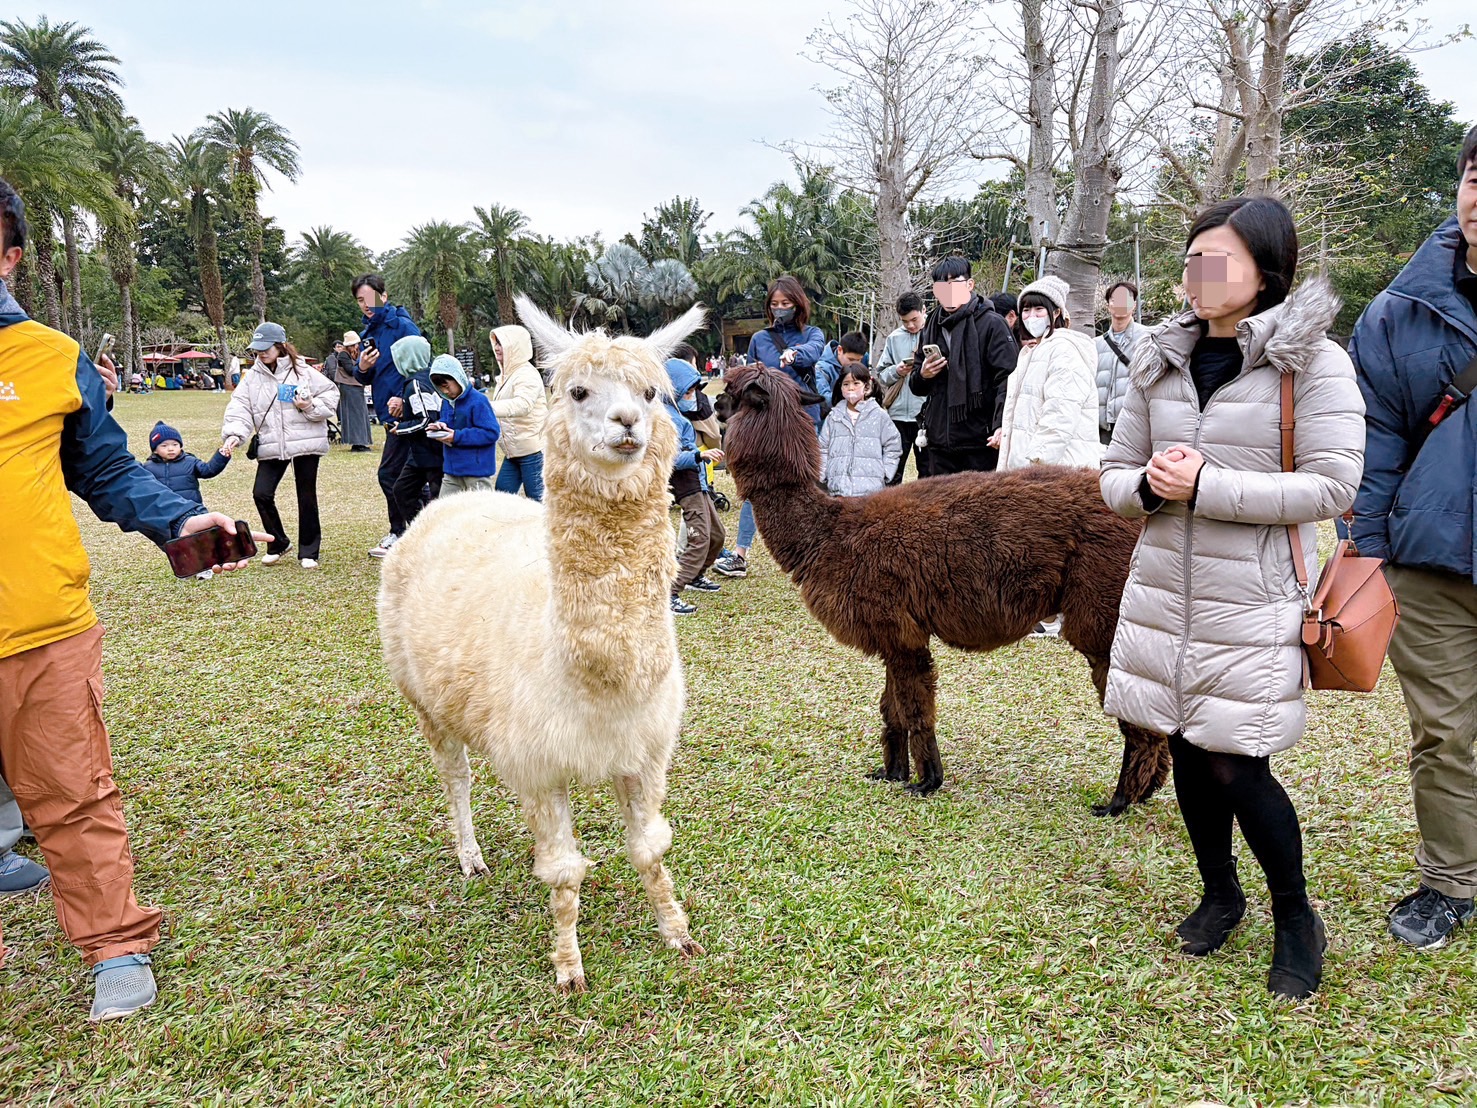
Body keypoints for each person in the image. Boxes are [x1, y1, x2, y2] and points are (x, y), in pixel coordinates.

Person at [0, 176, 265, 1020]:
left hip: (37, 625)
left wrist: (183, 513)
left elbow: (106, 469)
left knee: (72, 791)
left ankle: (115, 940)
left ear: (9, 255)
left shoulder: (47, 356)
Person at [1101, 195, 1365, 1000]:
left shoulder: (1313, 362)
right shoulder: (1156, 357)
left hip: (1248, 596)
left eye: (1217, 258)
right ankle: (1220, 894)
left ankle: (1294, 915)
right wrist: (1145, 488)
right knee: (1182, 744)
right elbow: (1112, 474)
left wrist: (1208, 485)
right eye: (1190, 258)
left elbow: (1332, 484)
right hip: (1161, 590)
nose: (1197, 274)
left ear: (1264, 272)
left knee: (1235, 760)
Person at [1349, 123, 1477, 950]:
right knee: (1445, 730)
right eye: (1476, 177)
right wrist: (1365, 547)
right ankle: (1452, 881)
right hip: (1431, 558)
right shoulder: (1400, 309)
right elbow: (1376, 437)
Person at [714, 275, 825, 579]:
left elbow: (815, 351)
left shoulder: (812, 334)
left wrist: (795, 354)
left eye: (785, 304)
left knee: (804, 484)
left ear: (797, 304)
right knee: (757, 486)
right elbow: (745, 377)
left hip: (799, 421)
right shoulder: (759, 339)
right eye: (774, 304)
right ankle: (740, 554)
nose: (779, 309)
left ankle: (813, 548)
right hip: (762, 426)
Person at [221, 322, 339, 569]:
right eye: (258, 349)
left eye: (267, 347)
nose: (262, 353)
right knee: (261, 493)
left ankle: (309, 551)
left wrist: (309, 406)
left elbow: (331, 393)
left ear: (280, 346)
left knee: (306, 495)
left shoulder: (303, 371)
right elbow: (240, 408)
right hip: (272, 442)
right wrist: (234, 435)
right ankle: (279, 542)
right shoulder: (251, 377)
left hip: (306, 440)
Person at [910, 257, 1018, 476]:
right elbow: (916, 385)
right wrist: (923, 374)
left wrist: (1000, 425)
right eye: (942, 286)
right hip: (939, 439)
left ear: (970, 285)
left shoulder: (992, 324)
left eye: (955, 284)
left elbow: (1008, 379)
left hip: (979, 441)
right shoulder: (931, 327)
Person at [993, 276, 1102, 472]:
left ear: (1056, 312)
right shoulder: (1031, 352)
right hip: (1031, 473)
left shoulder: (1064, 351)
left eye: (1038, 309)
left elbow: (1059, 416)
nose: (1031, 316)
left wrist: (1037, 466)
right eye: (1026, 310)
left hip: (1058, 474)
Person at [350, 273, 423, 557]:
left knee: (390, 474)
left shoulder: (403, 326)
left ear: (383, 296)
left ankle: (403, 532)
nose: (365, 305)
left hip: (408, 415)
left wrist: (405, 399)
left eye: (369, 298)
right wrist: (364, 368)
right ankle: (416, 528)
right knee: (410, 476)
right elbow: (362, 376)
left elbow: (420, 366)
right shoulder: (368, 332)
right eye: (359, 300)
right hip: (386, 416)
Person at [664, 357, 726, 615]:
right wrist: (699, 456)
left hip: (698, 482)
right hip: (686, 484)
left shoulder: (678, 413)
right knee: (699, 539)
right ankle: (670, 592)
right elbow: (666, 457)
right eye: (688, 391)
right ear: (673, 390)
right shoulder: (664, 419)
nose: (693, 396)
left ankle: (696, 576)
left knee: (717, 535)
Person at [385, 335, 445, 526]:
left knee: (439, 501)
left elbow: (427, 419)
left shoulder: (417, 384)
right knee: (402, 490)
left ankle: (431, 536)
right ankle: (421, 531)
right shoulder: (426, 378)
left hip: (432, 454)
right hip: (420, 454)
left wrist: (400, 428)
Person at [819, 366, 901, 497]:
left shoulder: (879, 416)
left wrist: (885, 472)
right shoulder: (833, 417)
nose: (851, 388)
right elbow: (822, 447)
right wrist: (823, 473)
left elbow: (893, 445)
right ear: (841, 387)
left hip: (871, 492)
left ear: (867, 387)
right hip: (839, 491)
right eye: (846, 384)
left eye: (856, 383)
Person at [488, 325, 548, 501]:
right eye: (496, 343)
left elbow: (523, 405)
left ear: (515, 347)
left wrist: (487, 407)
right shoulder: (506, 375)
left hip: (532, 451)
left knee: (536, 500)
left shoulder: (526, 374)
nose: (497, 348)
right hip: (512, 452)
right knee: (502, 496)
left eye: (502, 344)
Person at [427, 354, 500, 496]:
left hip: (476, 472)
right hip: (452, 471)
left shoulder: (479, 401)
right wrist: (440, 426)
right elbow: (448, 422)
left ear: (457, 377)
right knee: (443, 513)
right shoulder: (447, 401)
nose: (445, 392)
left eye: (446, 386)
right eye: (440, 389)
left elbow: (491, 432)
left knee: (482, 515)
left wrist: (457, 436)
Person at [875, 292, 928, 485]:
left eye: (914, 319)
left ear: (924, 310)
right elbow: (881, 375)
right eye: (906, 321)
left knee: (928, 471)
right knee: (893, 472)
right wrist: (896, 370)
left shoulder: (935, 332)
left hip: (925, 414)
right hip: (897, 415)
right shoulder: (894, 338)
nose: (911, 325)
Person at [1096, 281, 1149, 446]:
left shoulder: (1148, 339)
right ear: (1108, 305)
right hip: (1102, 426)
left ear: (1134, 305)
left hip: (1133, 425)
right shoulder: (1096, 344)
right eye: (1114, 299)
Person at [325, 332, 372, 452]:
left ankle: (362, 441)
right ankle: (357, 443)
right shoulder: (343, 355)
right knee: (354, 416)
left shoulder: (356, 354)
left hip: (357, 387)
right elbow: (351, 370)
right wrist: (363, 365)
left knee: (361, 415)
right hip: (349, 387)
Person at [815, 330, 869, 411]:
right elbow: (823, 399)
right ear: (840, 350)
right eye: (851, 359)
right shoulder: (821, 369)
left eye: (858, 360)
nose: (855, 364)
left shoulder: (865, 358)